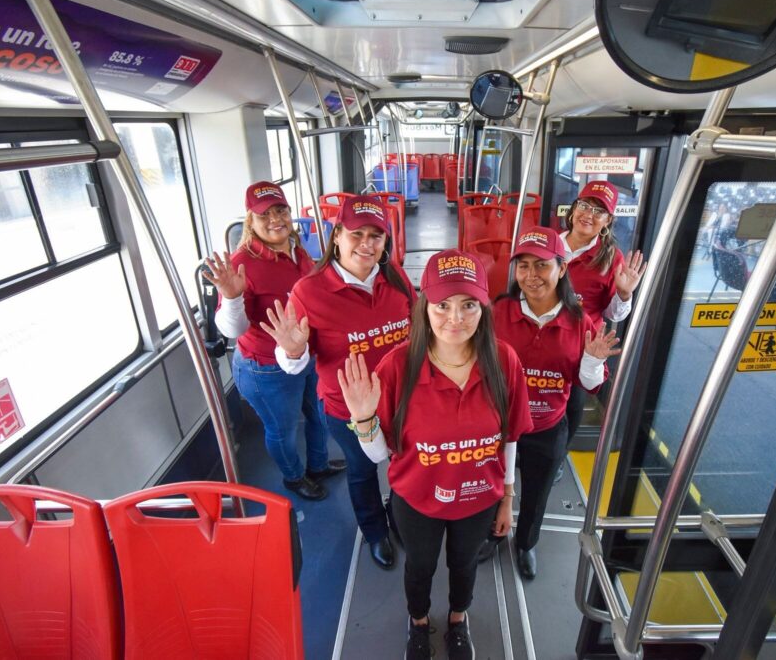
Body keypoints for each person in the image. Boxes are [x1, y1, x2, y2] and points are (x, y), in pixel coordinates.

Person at [337, 249, 532, 660]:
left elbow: (509, 437)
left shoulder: (504, 362)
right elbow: (377, 455)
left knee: (464, 567)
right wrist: (364, 418)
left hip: (479, 498)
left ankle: (458, 620)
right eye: (442, 305)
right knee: (420, 568)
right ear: (425, 305)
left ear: (483, 307)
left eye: (468, 305)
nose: (455, 319)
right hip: (418, 500)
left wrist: (507, 499)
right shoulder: (396, 368)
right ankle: (420, 621)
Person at [262, 194, 414, 570]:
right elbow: (292, 365)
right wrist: (294, 351)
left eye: (376, 236)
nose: (367, 244)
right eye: (357, 234)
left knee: (401, 464)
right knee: (363, 471)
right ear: (336, 237)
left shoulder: (396, 277)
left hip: (402, 400)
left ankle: (399, 517)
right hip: (346, 409)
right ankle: (375, 532)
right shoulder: (309, 292)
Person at [478, 227, 620, 578]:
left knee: (538, 492)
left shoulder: (579, 322)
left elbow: (587, 383)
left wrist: (592, 360)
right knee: (494, 487)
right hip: (500, 427)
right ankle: (494, 534)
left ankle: (525, 542)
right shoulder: (497, 313)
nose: (531, 276)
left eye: (541, 266)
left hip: (548, 426)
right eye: (523, 266)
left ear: (562, 268)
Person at [204, 181, 345, 501]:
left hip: (308, 356)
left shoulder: (298, 250)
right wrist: (231, 296)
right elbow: (233, 329)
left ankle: (319, 465)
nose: (275, 219)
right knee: (283, 430)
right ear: (250, 221)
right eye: (263, 214)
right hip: (266, 367)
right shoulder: (242, 263)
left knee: (320, 414)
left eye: (280, 210)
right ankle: (294, 477)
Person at [561, 180, 647, 443]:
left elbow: (615, 315)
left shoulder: (611, 258)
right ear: (574, 209)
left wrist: (624, 294)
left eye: (599, 211)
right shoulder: (548, 244)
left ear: (608, 220)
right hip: (538, 336)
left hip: (580, 345)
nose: (589, 215)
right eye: (585, 205)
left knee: (573, 403)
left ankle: (559, 453)